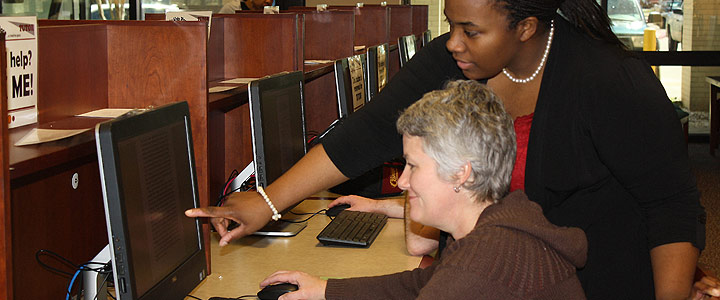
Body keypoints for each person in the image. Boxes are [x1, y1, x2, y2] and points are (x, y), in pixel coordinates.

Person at [186, 0, 710, 298]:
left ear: (525, 27)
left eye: (470, 30)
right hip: (499, 272)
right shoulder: (454, 61)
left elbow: (672, 207)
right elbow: (369, 132)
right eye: (450, 24)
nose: (453, 42)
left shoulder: (606, 81)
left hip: (594, 281)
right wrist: (267, 201)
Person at [260, 80, 588, 299]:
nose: (401, 182)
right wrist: (326, 290)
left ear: (462, 173)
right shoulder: (506, 220)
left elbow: (448, 282)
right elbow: (423, 283)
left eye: (413, 166)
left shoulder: (477, 268)